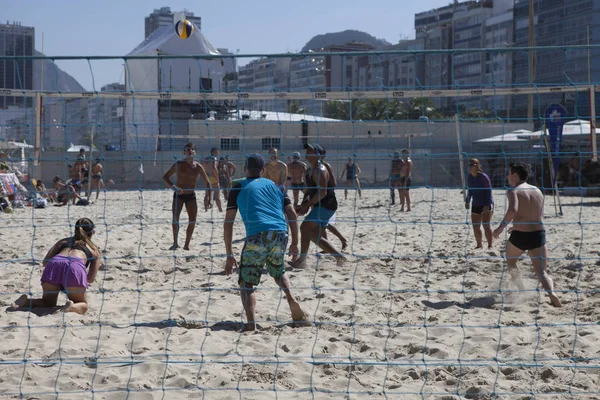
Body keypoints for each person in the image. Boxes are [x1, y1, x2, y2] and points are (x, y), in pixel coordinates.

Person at [224, 154, 307, 332]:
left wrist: (229, 254)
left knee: (246, 282)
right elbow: (292, 214)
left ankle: (251, 323)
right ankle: (291, 299)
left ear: (245, 169)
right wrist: (295, 243)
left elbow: (228, 222)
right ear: (263, 171)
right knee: (278, 270)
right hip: (280, 233)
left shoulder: (238, 187)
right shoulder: (278, 187)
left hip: (256, 236)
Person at [492, 162, 561, 308]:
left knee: (511, 261)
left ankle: (522, 291)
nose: (507, 176)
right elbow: (536, 215)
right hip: (538, 234)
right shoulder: (537, 190)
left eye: (509, 174)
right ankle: (551, 293)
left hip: (521, 236)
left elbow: (513, 210)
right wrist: (516, 225)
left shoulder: (514, 191)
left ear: (515, 176)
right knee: (542, 272)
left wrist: (499, 229)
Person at [11, 218, 103, 315]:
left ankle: (26, 301)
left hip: (55, 263)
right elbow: (90, 279)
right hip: (74, 266)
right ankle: (72, 307)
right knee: (82, 304)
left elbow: (45, 262)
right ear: (93, 232)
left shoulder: (63, 242)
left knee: (48, 302)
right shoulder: (94, 249)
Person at [290, 143, 346, 268]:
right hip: (319, 204)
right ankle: (339, 257)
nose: (307, 151)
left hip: (327, 204)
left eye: (311, 150)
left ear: (318, 155)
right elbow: (309, 191)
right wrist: (303, 205)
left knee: (305, 227)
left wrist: (307, 205)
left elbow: (322, 192)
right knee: (314, 235)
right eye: (307, 150)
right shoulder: (310, 170)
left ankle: (301, 261)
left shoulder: (321, 169)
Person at [162, 143, 212, 250]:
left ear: (195, 152)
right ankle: (175, 243)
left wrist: (208, 198)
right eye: (187, 150)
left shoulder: (198, 166)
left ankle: (186, 244)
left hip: (191, 196)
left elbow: (208, 183)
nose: (189, 151)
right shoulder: (179, 164)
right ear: (184, 153)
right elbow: (165, 177)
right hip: (178, 195)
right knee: (175, 218)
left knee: (192, 220)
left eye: (191, 149)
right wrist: (174, 187)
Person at [465, 158, 494, 249]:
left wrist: (487, 204)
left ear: (477, 166)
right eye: (469, 165)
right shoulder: (469, 177)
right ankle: (479, 245)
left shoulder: (483, 176)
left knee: (486, 226)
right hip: (476, 204)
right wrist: (467, 200)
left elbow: (489, 191)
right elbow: (470, 190)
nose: (470, 167)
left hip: (486, 203)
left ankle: (490, 245)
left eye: (472, 165)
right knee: (476, 226)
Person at [202, 148, 222, 212]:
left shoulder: (205, 159)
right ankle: (220, 210)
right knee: (217, 196)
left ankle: (205, 209)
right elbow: (214, 168)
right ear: (213, 152)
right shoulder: (214, 159)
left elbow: (203, 168)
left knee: (207, 194)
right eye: (217, 152)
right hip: (213, 177)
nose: (218, 153)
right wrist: (217, 178)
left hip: (207, 177)